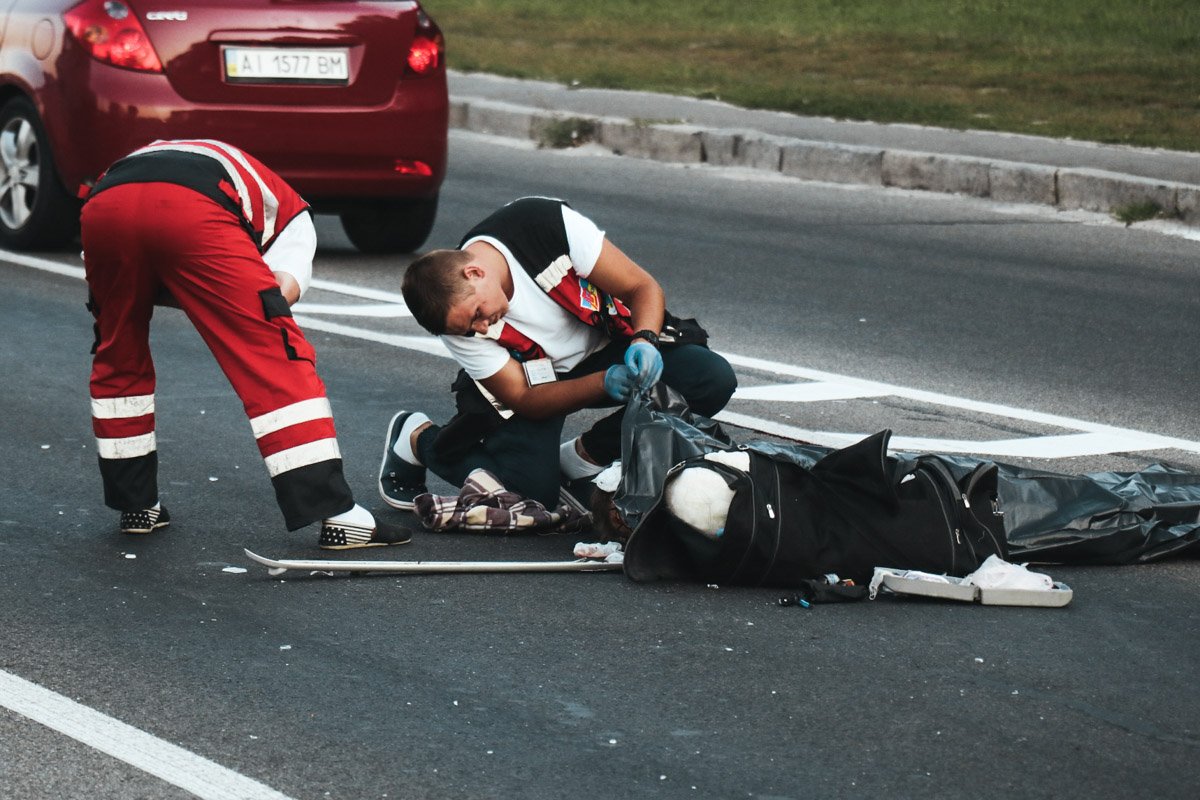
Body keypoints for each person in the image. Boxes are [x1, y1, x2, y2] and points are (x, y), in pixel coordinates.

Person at [81, 138, 411, 549]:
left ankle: (137, 505)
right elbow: (278, 296)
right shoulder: (295, 221)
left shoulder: (193, 158)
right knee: (274, 352)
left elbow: (143, 276)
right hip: (192, 208)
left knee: (118, 352)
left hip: (104, 205)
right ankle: (337, 515)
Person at [380, 196, 737, 511]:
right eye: (470, 329)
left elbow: (640, 286)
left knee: (710, 379)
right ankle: (417, 438)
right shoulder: (456, 318)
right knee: (530, 497)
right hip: (537, 379)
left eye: (477, 316)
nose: (483, 330)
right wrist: (602, 382)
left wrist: (644, 340)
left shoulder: (537, 224)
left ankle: (583, 458)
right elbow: (524, 396)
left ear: (474, 272)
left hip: (610, 339)